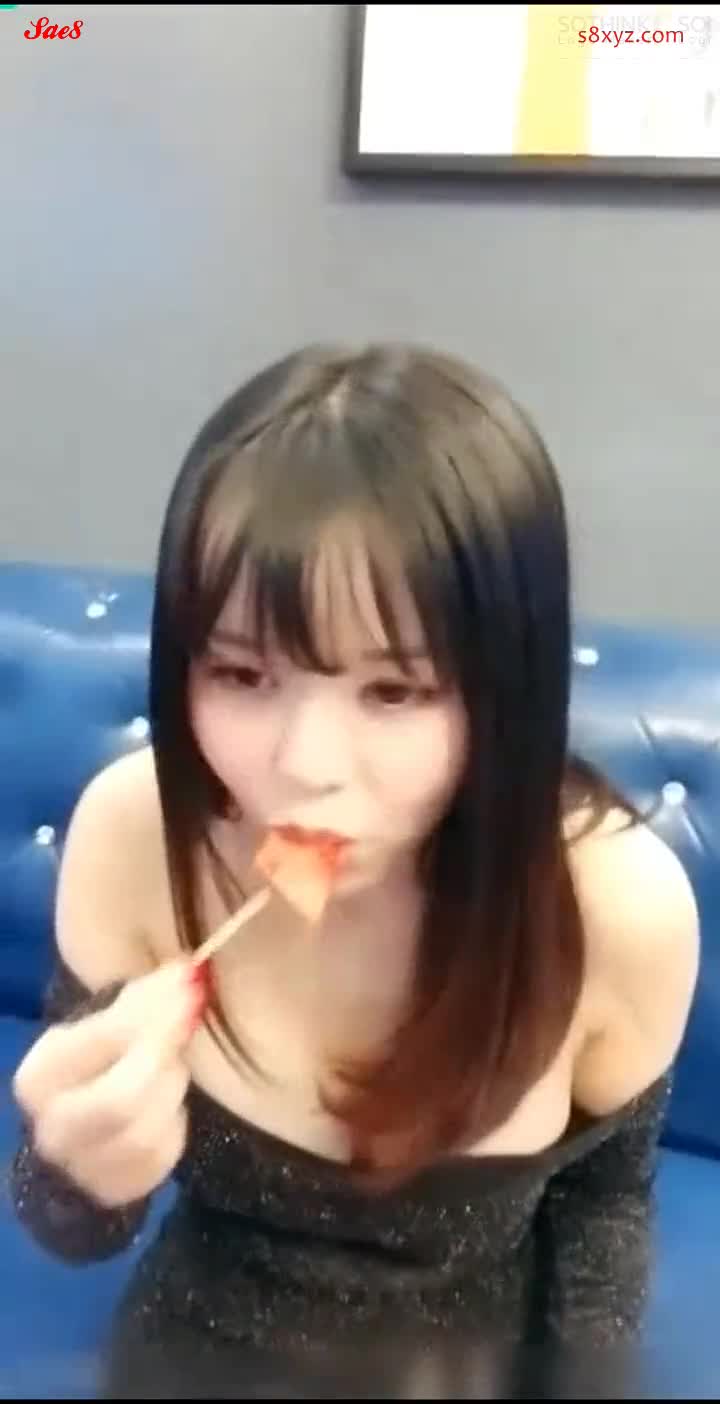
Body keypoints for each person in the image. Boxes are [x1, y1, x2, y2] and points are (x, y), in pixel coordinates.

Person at [10, 344, 699, 1377]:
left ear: (507, 687)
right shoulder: (137, 832)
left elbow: (603, 1209)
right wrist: (73, 1176)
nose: (305, 768)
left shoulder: (616, 907)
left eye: (395, 691)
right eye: (242, 673)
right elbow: (76, 1232)